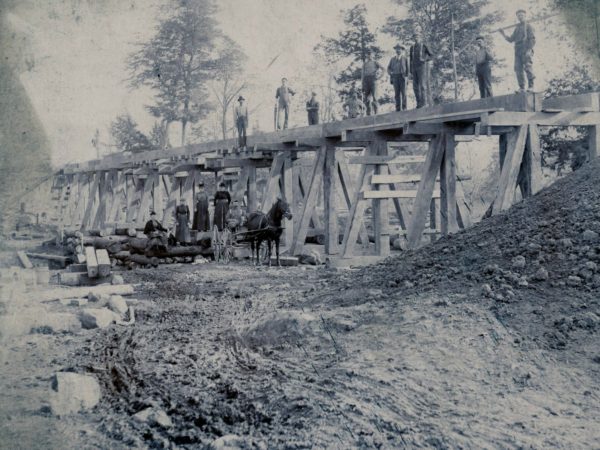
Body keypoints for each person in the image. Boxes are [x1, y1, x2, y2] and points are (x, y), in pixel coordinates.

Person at [500, 9, 535, 92]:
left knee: (528, 67)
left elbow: (532, 39)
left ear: (525, 16)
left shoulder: (528, 26)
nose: (520, 17)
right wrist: (503, 34)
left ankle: (531, 86)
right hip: (517, 50)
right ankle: (522, 87)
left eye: (522, 15)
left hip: (526, 48)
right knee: (518, 69)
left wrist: (529, 50)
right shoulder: (517, 28)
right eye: (519, 15)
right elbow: (511, 39)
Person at [409, 29, 433, 108]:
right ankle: (419, 103)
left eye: (418, 36)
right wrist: (410, 71)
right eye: (415, 37)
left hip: (422, 68)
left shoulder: (424, 46)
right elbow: (410, 60)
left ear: (420, 37)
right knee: (415, 87)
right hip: (414, 68)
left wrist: (424, 59)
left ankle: (425, 103)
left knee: (422, 85)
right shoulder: (412, 48)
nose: (416, 38)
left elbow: (431, 56)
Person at [387, 43, 410, 111]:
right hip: (395, 77)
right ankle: (398, 108)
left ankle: (404, 108)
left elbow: (408, 69)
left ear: (402, 50)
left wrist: (407, 78)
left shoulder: (405, 58)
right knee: (397, 94)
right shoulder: (392, 59)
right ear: (395, 50)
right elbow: (388, 68)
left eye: (399, 49)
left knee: (404, 93)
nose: (398, 50)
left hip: (403, 77)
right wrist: (390, 73)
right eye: (397, 49)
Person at [361, 50, 383, 115]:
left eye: (370, 54)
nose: (369, 56)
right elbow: (362, 75)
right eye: (368, 54)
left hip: (373, 80)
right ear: (367, 56)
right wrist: (362, 84)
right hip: (366, 80)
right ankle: (368, 113)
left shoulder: (375, 62)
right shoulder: (365, 64)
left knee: (375, 97)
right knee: (367, 98)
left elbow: (383, 69)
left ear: (373, 55)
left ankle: (376, 113)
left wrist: (379, 77)